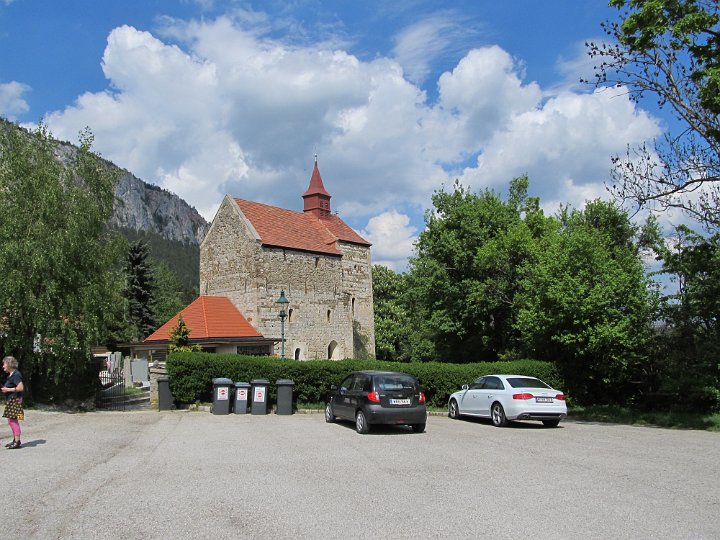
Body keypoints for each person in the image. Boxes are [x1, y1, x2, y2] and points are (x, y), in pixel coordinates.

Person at [1, 356, 24, 449]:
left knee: (13, 421)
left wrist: (8, 389)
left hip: (15, 399)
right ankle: (15, 440)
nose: (3, 366)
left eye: (4, 364)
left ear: (9, 364)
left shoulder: (16, 374)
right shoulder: (11, 374)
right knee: (11, 421)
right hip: (11, 399)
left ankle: (17, 441)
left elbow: (21, 387)